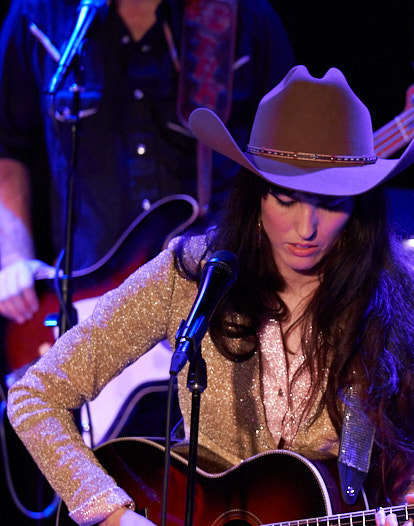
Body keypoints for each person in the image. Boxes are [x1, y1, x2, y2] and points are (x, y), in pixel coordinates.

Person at [6, 65, 414, 526]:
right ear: (255, 190)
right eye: (285, 197)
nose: (307, 227)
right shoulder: (192, 275)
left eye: (331, 203)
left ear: (362, 203)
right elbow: (34, 393)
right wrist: (113, 516)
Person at [0, 0, 296, 326]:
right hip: (88, 303)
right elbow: (7, 147)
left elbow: (289, 158)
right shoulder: (38, 13)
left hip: (214, 298)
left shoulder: (244, 16)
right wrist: (14, 258)